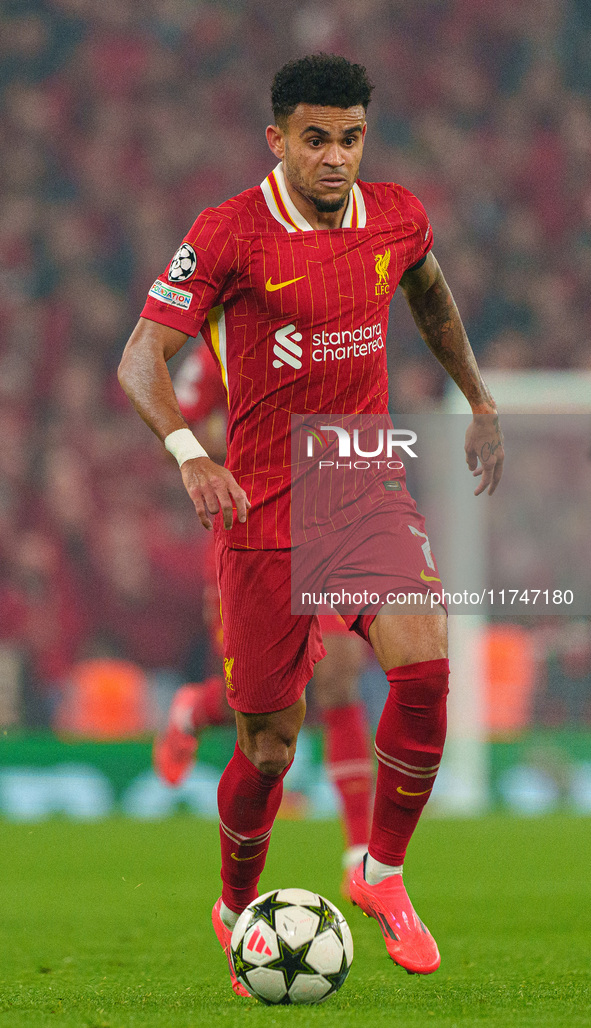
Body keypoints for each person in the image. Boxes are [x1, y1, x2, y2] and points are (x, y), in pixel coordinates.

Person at [118, 54, 504, 993]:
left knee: (424, 662)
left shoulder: (398, 214)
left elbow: (426, 289)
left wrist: (478, 398)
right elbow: (139, 361)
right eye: (317, 140)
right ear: (278, 141)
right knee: (268, 745)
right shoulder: (228, 234)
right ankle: (232, 896)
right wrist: (190, 456)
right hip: (260, 509)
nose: (336, 158)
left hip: (357, 487)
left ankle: (380, 873)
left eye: (351, 138)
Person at [154, 339, 374, 891]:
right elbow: (177, 420)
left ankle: (361, 856)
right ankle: (197, 706)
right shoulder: (221, 346)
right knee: (270, 698)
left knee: (339, 671)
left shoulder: (330, 321)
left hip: (326, 515)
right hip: (250, 526)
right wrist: (216, 453)